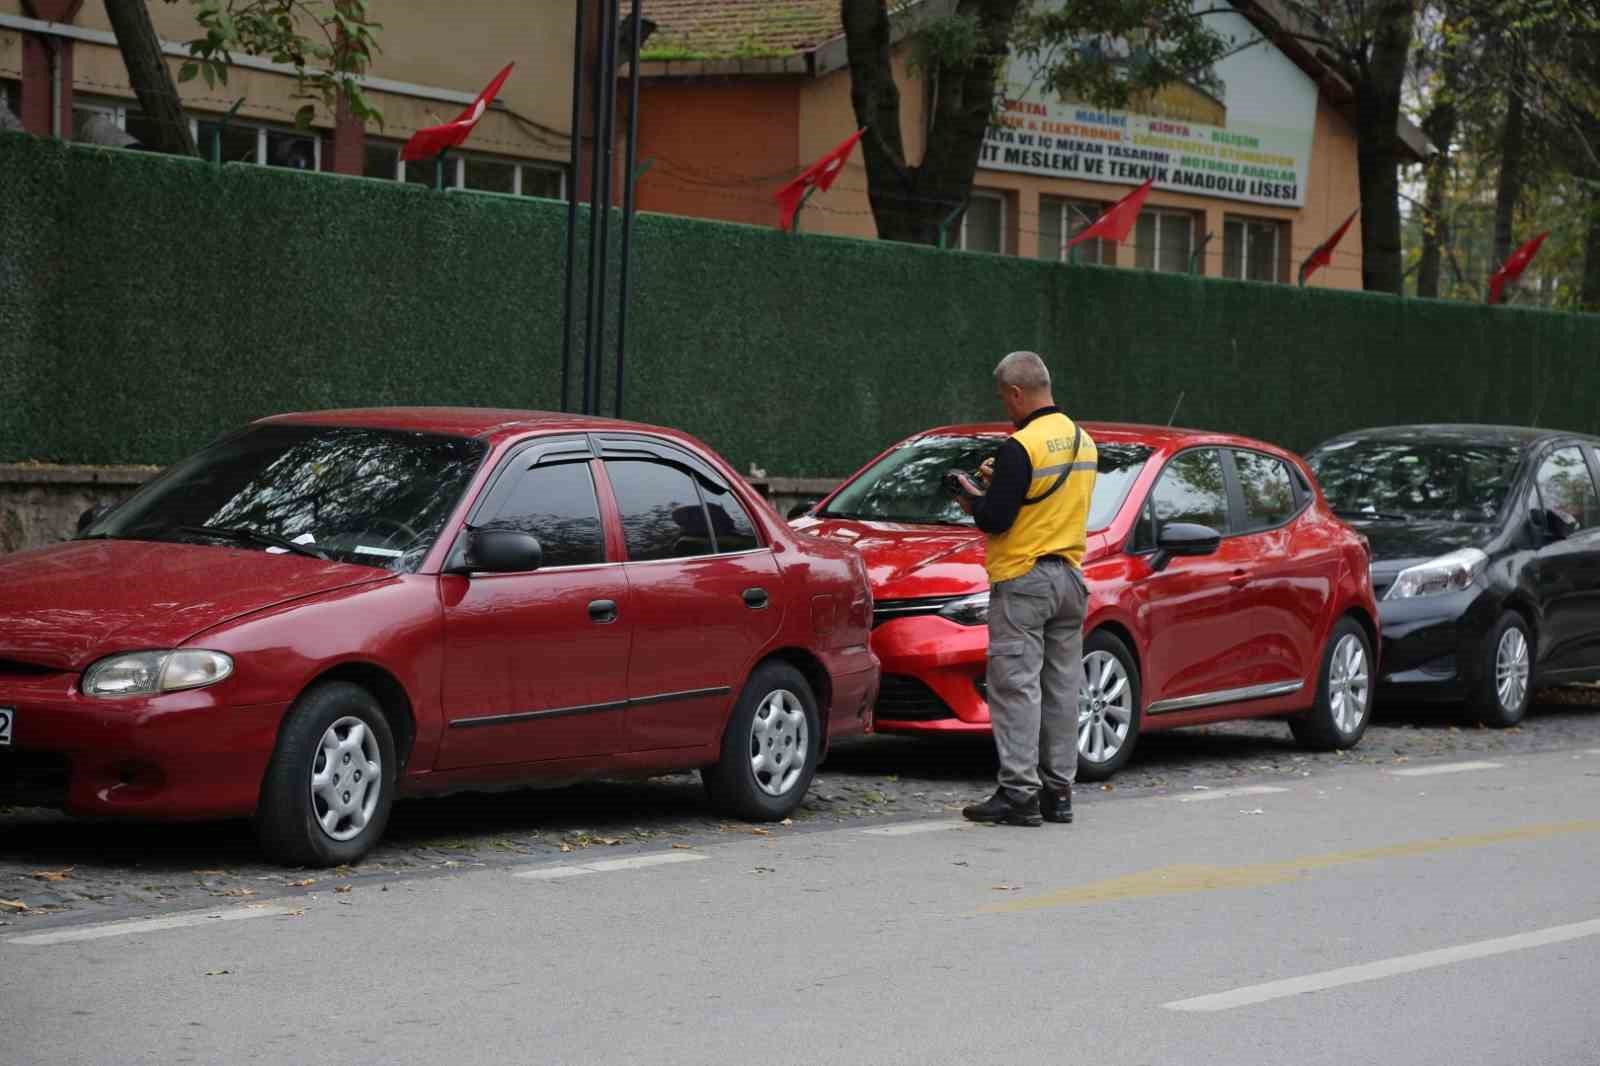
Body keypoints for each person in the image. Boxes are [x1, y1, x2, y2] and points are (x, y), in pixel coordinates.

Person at [953, 351, 1097, 827]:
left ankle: (1018, 794)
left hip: (1024, 578)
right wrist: (1004, 487)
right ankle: (1060, 793)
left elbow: (998, 518)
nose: (1005, 408)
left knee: (1016, 686)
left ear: (1017, 393)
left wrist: (972, 499)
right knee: (1062, 687)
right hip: (1071, 578)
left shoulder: (1021, 446)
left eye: (1004, 398)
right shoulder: (1084, 441)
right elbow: (1045, 500)